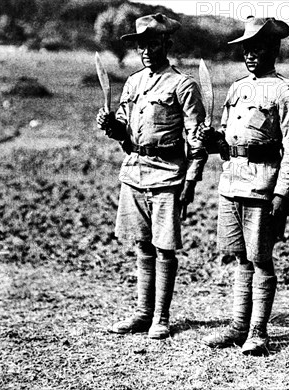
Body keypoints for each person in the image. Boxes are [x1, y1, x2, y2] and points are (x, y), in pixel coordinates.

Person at [95, 13, 208, 339]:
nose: (146, 50)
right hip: (134, 173)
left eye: (153, 43)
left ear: (166, 44)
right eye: (141, 44)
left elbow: (196, 140)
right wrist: (112, 127)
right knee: (142, 246)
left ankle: (161, 316)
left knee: (164, 248)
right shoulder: (133, 82)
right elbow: (125, 131)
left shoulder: (182, 85)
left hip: (167, 175)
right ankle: (143, 313)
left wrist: (191, 181)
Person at [200, 16, 289, 356]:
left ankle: (258, 331)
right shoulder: (237, 88)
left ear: (273, 50)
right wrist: (211, 140)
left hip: (263, 186)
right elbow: (226, 140)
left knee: (261, 259)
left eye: (257, 48)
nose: (250, 55)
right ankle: (237, 325)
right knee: (240, 259)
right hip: (231, 183)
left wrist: (283, 193)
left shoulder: (285, 92)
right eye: (246, 49)